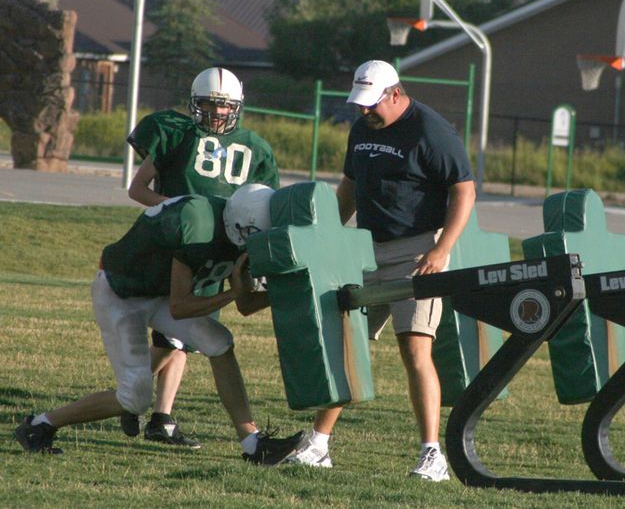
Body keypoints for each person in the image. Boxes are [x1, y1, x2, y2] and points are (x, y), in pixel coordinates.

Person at [15, 184, 303, 465]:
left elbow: (246, 305)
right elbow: (181, 307)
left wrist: (291, 289)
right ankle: (40, 424)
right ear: (241, 226)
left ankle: (253, 444)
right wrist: (233, 292)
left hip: (157, 294)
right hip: (121, 294)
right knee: (134, 399)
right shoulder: (197, 223)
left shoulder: (235, 227)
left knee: (220, 343)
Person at [287, 60, 476, 481]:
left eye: (372, 104)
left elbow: (464, 189)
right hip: (365, 251)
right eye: (360, 104)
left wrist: (442, 249)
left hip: (415, 253)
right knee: (346, 345)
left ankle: (433, 455)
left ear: (394, 93)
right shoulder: (362, 128)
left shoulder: (430, 129)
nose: (365, 111)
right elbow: (351, 186)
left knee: (415, 350)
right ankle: (319, 444)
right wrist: (331, 236)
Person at [125, 67, 280, 447]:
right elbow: (137, 189)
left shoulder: (257, 149)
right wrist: (178, 211)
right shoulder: (178, 135)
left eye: (225, 106)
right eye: (210, 104)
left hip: (224, 245)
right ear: (195, 104)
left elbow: (265, 207)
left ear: (238, 107)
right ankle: (132, 398)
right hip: (178, 243)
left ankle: (159, 414)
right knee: (178, 329)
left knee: (186, 333)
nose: (217, 113)